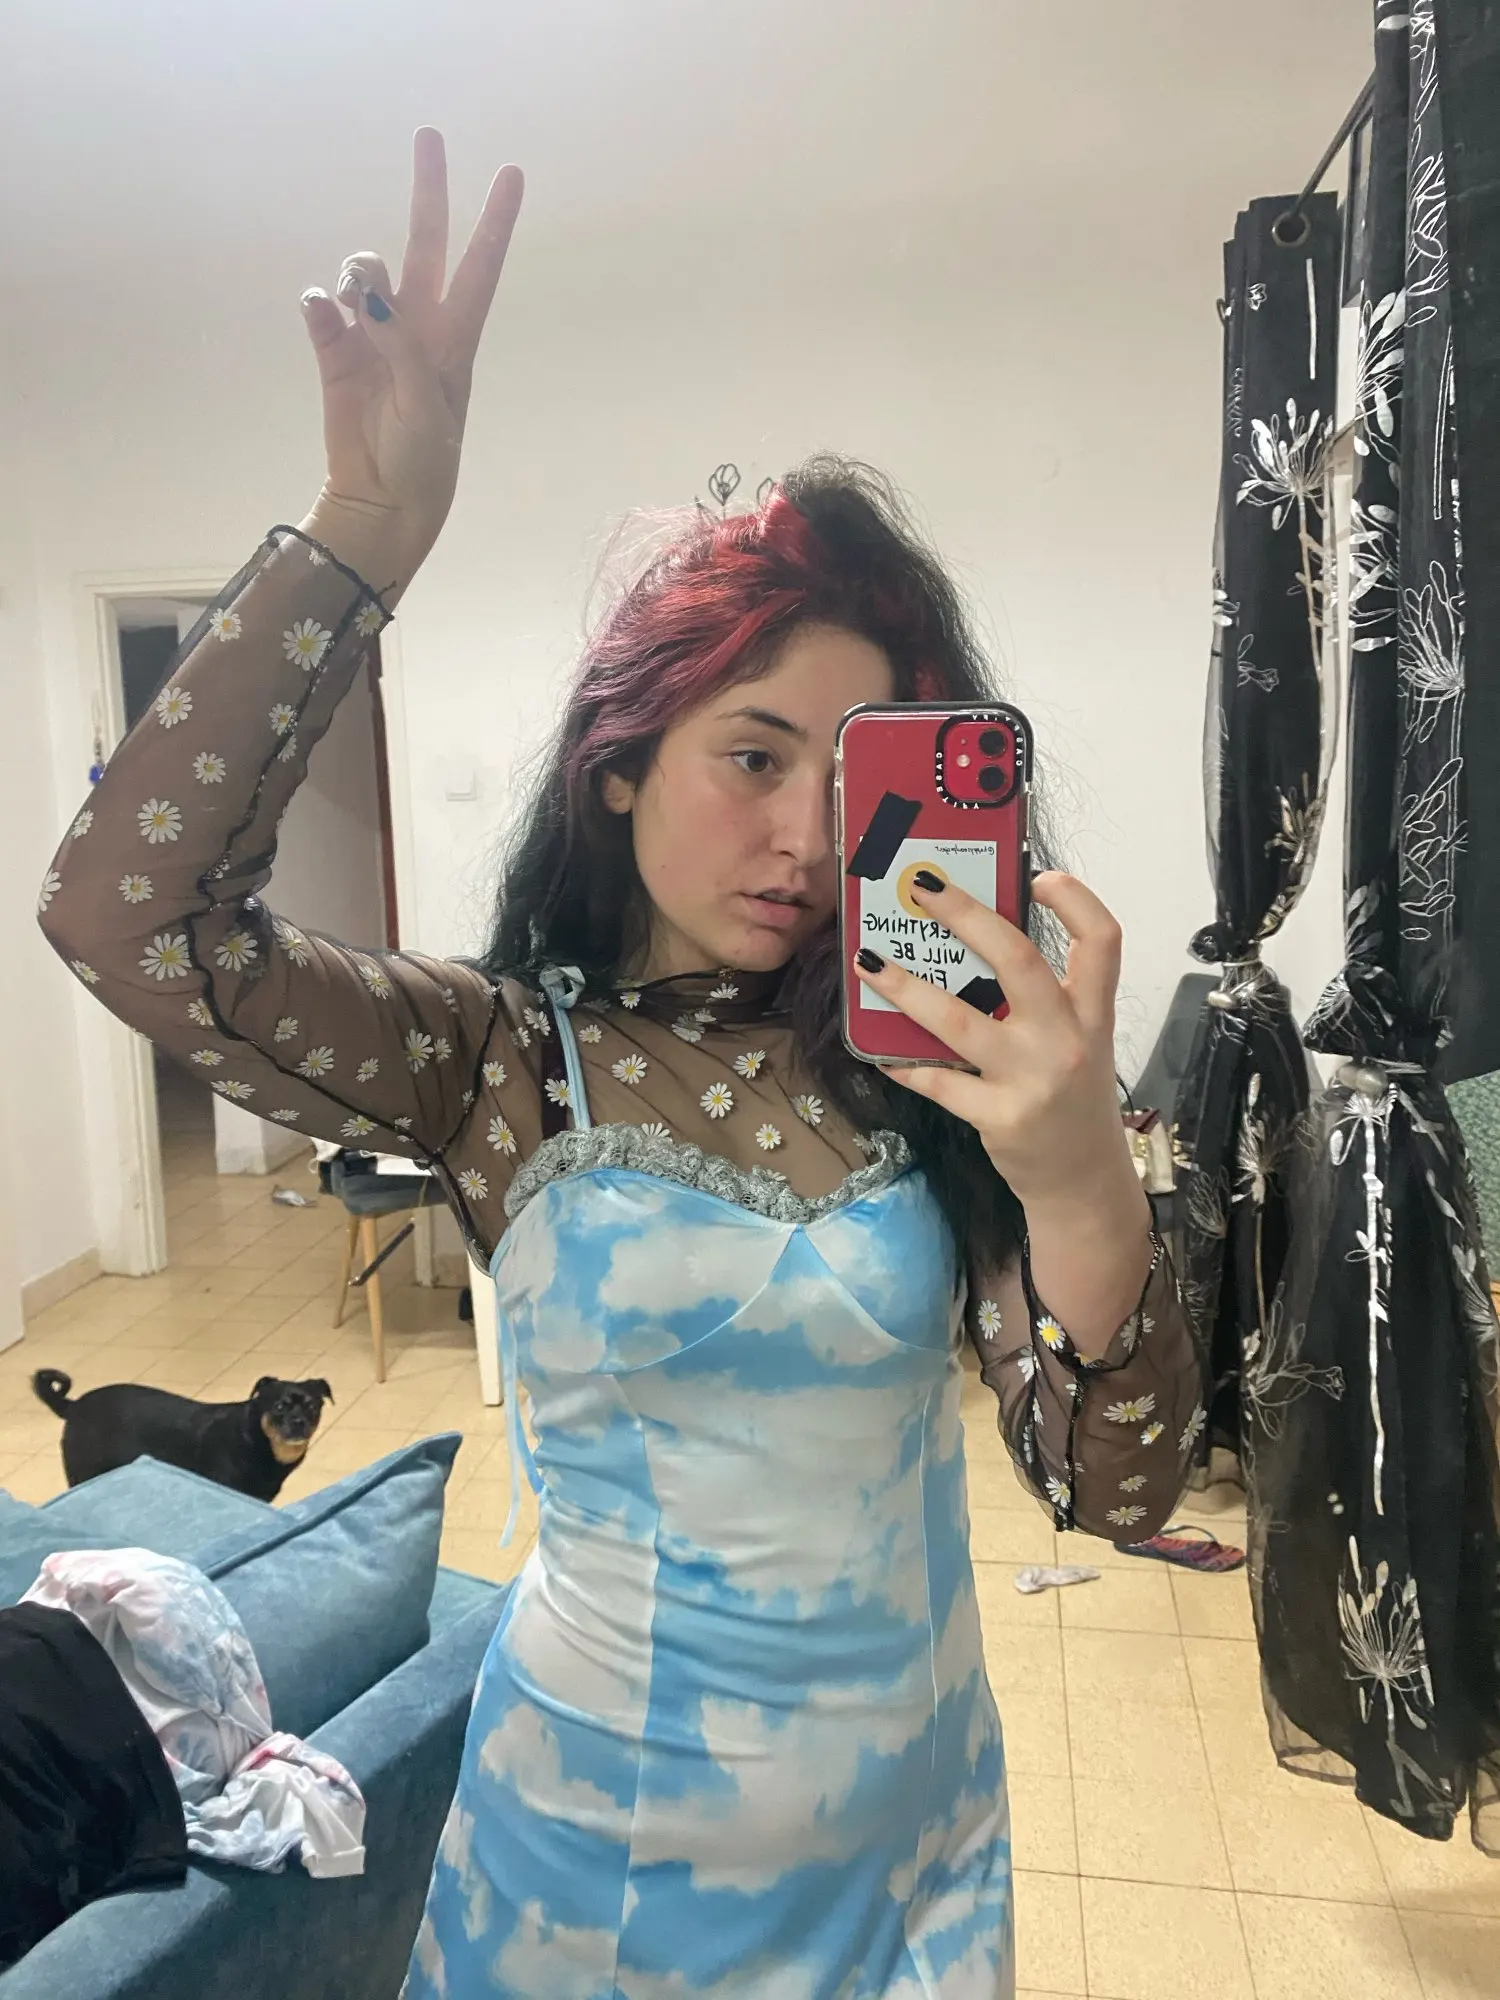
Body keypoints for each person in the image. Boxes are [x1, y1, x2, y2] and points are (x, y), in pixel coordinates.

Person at [39, 130, 1202, 1999]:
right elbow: (127, 913)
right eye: (752, 756)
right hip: (589, 1882)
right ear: (619, 763)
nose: (808, 839)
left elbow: (1122, 1493)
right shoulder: (495, 1060)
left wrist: (1077, 1180)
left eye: (854, 779)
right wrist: (364, 532)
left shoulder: (933, 1067)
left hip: (914, 1859)